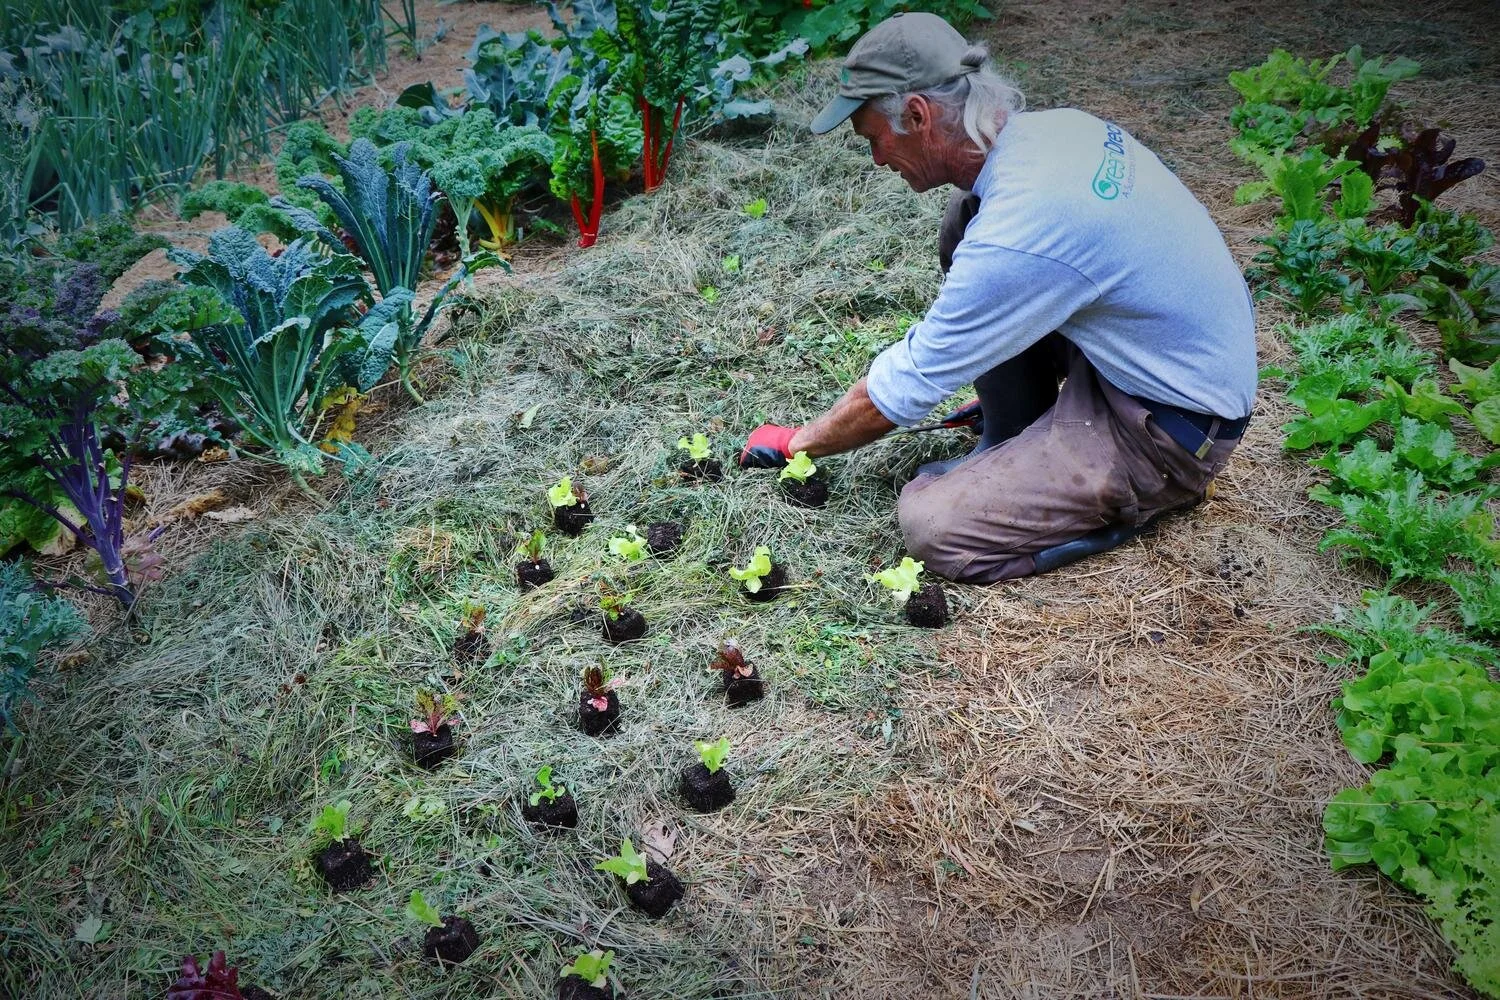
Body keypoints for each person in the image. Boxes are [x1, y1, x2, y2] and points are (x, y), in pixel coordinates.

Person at [738, 11, 1257, 583]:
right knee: (965, 215)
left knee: (933, 528)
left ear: (917, 115)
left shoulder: (1024, 227)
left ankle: (1131, 505)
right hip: (1142, 356)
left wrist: (797, 442)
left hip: (1173, 428)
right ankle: (1014, 431)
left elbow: (906, 388)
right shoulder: (1055, 132)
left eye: (874, 138)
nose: (877, 158)